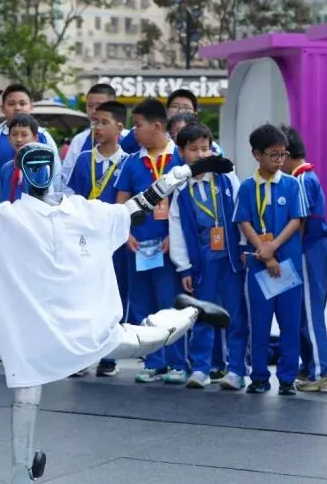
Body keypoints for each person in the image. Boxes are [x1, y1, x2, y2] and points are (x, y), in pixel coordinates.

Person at [0, 70, 231, 484]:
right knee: (19, 457)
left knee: (146, 341)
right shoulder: (7, 217)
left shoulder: (86, 212)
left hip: (84, 332)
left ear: (55, 168)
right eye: (29, 163)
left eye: (43, 162)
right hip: (32, 347)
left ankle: (190, 310)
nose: (37, 169)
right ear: (22, 172)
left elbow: (142, 204)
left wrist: (191, 169)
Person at [115, 99, 190, 384]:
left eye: (138, 125)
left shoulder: (179, 159)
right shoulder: (132, 162)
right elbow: (121, 203)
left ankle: (178, 362)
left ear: (157, 126)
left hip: (168, 247)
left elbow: (188, 205)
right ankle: (154, 362)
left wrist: (175, 237)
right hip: (138, 248)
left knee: (170, 305)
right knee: (142, 305)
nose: (134, 131)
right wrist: (126, 234)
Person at [170, 123, 247, 390]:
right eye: (194, 149)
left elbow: (241, 211)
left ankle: (236, 369)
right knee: (202, 314)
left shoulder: (226, 177)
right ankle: (201, 368)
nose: (201, 154)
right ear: (181, 153)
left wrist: (244, 246)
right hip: (202, 263)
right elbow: (176, 230)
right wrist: (183, 268)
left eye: (206, 148)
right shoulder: (180, 189)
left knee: (236, 314)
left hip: (231, 260)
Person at [234, 124, 307, 396]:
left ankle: (287, 377)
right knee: (260, 324)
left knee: (290, 323)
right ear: (257, 154)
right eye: (273, 154)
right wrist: (263, 251)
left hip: (287, 265)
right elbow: (244, 221)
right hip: (259, 266)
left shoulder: (292, 184)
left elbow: (296, 220)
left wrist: (273, 247)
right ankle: (259, 376)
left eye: (282, 154)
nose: (279, 160)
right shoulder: (246, 187)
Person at [67, 100, 131, 377]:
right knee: (84, 296)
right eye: (95, 122)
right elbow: (72, 196)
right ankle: (82, 355)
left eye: (104, 122)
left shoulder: (128, 162)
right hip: (86, 240)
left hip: (115, 242)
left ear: (119, 127)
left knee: (114, 295)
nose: (98, 127)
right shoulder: (84, 160)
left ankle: (109, 355)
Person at [281, 125, 327, 392]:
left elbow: (301, 222)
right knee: (304, 311)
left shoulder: (302, 180)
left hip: (310, 250)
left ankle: (322, 369)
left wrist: (288, 255)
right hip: (315, 248)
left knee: (309, 311)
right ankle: (310, 365)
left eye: (277, 155)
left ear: (286, 154)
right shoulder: (306, 176)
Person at [0, 112, 44, 363]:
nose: (19, 139)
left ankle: (30, 341)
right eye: (14, 134)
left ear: (35, 137)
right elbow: (0, 199)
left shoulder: (42, 166)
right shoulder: (7, 168)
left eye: (24, 134)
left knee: (29, 290)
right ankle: (0, 338)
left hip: (29, 238)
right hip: (5, 237)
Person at [0, 83, 61, 205]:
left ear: (31, 107)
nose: (17, 108)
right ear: (2, 108)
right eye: (11, 104)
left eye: (22, 103)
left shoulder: (44, 138)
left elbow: (56, 176)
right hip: (0, 209)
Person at [59, 83, 126, 184]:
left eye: (99, 106)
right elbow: (66, 178)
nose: (94, 111)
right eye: (89, 106)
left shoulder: (130, 138)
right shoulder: (79, 140)